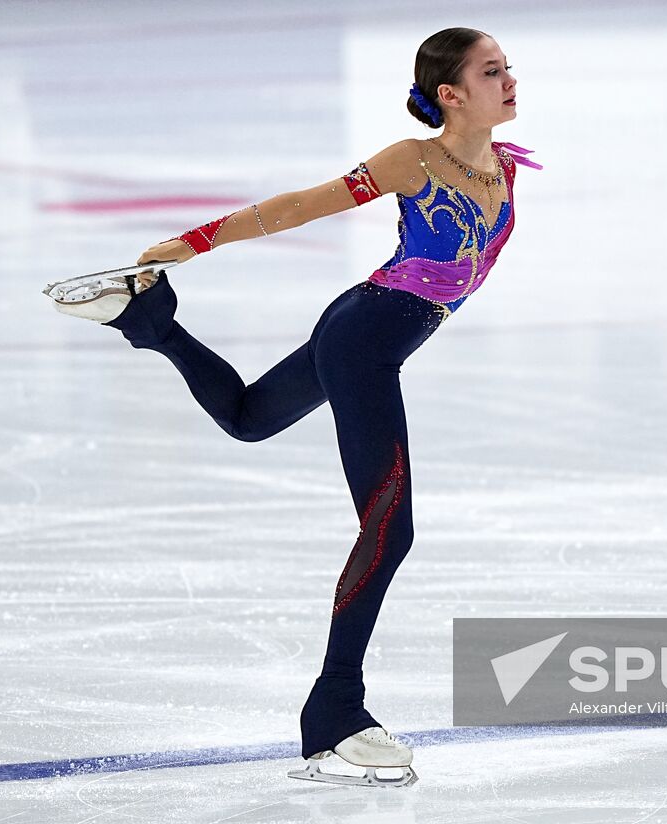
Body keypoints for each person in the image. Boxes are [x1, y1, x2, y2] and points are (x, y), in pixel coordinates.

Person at [46, 26, 541, 788]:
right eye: (491, 70)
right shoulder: (413, 160)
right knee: (391, 528)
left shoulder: (506, 169)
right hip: (363, 340)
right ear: (451, 94)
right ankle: (336, 713)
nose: (509, 79)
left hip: (378, 337)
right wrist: (194, 241)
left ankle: (146, 323)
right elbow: (300, 207)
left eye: (507, 68)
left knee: (248, 418)